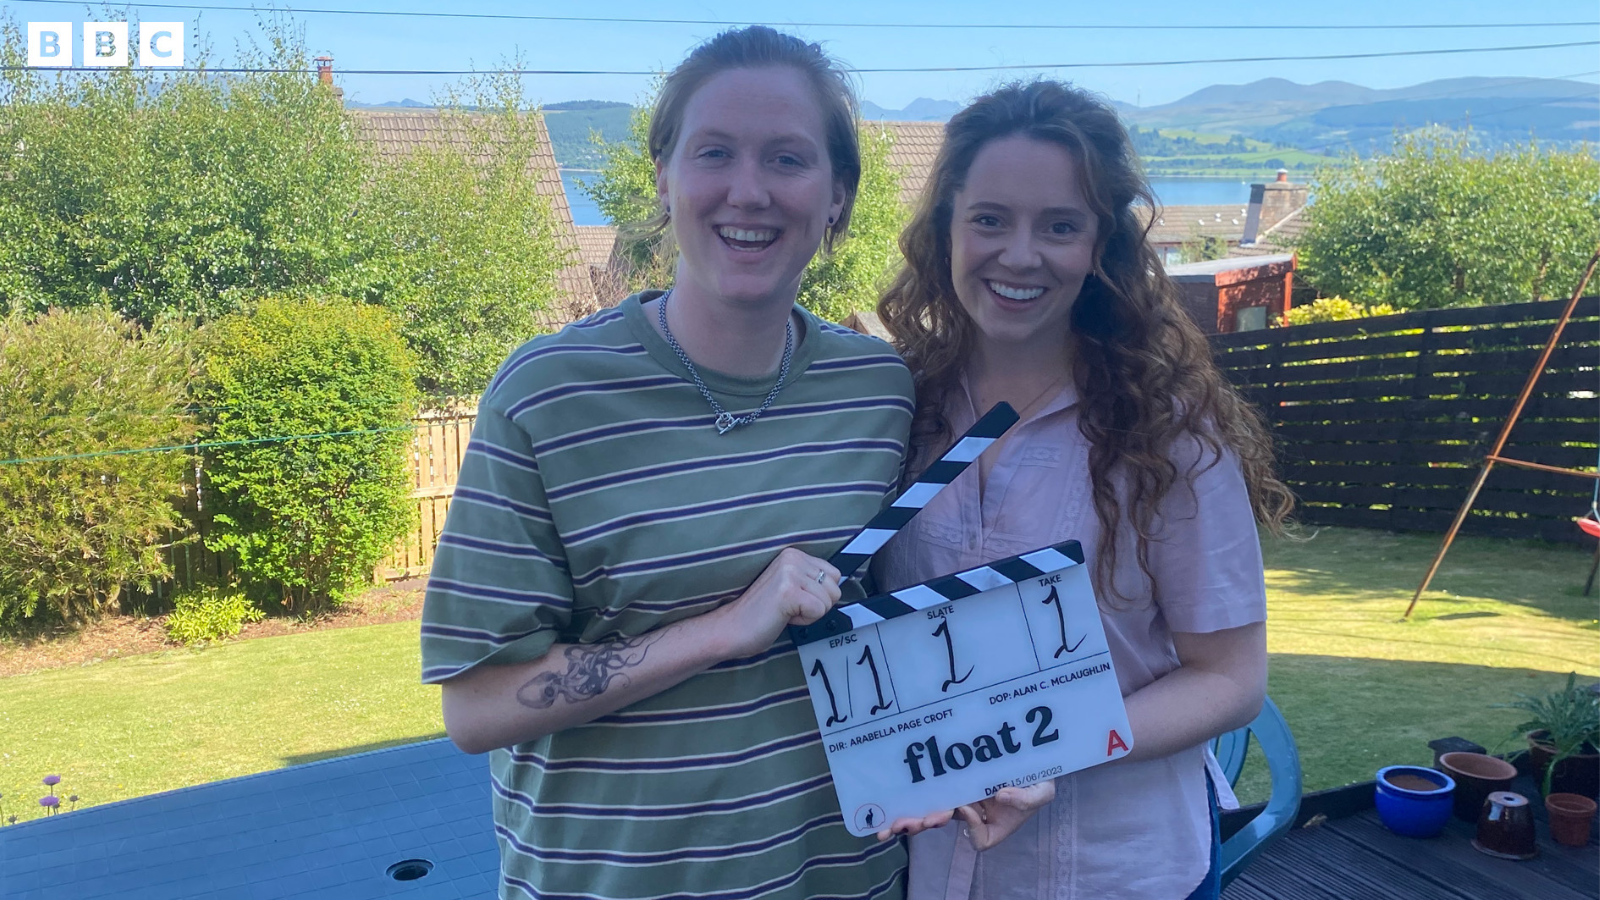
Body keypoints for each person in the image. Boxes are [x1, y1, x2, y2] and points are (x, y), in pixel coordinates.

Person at [420, 27, 912, 900]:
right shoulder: (550, 393)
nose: (747, 190)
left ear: (838, 195)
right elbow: (477, 707)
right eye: (713, 151)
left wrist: (986, 761)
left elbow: (903, 635)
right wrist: (724, 628)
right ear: (663, 176)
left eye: (788, 158)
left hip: (849, 879)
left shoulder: (878, 388)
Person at [872, 81, 1294, 899]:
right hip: (932, 871)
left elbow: (1232, 679)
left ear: (1100, 245)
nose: (1020, 254)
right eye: (990, 218)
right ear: (945, 229)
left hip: (1121, 871)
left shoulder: (1166, 433)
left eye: (1059, 226)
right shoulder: (901, 410)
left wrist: (1045, 748)